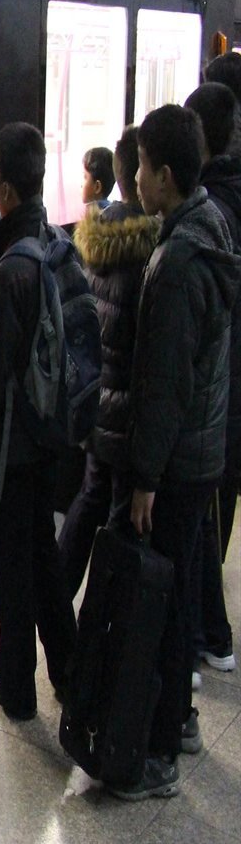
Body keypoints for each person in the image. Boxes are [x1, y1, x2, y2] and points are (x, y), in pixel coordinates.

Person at [110, 104, 239, 798]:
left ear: (163, 175)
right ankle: (181, 721)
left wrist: (144, 478)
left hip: (176, 460)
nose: (133, 178)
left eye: (140, 167)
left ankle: (159, 750)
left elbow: (163, 386)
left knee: (159, 606)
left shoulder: (178, 262)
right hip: (202, 450)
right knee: (184, 586)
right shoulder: (212, 225)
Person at [0, 122, 77, 721]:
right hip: (52, 434)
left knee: (14, 568)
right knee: (44, 556)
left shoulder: (12, 270)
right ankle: (71, 672)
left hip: (15, 447)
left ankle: (16, 686)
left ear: (4, 189)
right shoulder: (56, 244)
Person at [57, 126, 158, 597]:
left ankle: (54, 600)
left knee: (90, 495)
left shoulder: (94, 239)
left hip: (95, 395)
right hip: (129, 408)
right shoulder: (149, 249)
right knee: (120, 516)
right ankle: (98, 624)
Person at [183, 82, 240, 675]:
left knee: (196, 522)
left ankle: (202, 640)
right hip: (226, 397)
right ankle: (208, 634)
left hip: (208, 408)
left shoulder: (204, 222)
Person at [81, 146, 115, 213]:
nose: (81, 185)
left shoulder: (96, 215)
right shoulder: (111, 210)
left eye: (85, 177)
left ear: (97, 187)